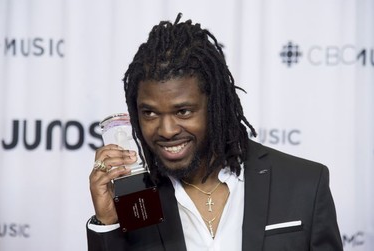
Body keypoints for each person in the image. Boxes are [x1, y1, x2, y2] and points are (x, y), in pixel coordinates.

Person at [87, 13, 343, 251]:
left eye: (183, 111)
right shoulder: (136, 197)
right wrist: (108, 222)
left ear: (215, 105)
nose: (166, 130)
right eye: (150, 113)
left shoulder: (304, 182)